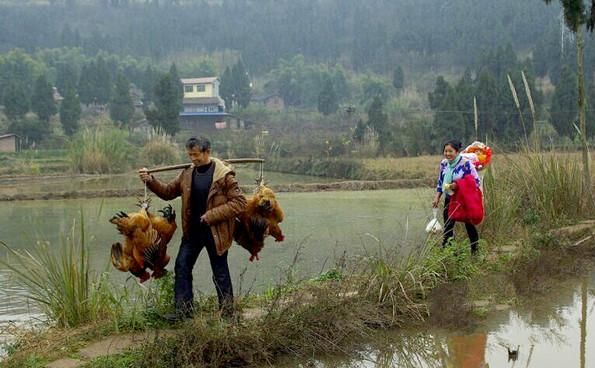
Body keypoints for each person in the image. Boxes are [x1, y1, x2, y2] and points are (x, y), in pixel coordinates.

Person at [139, 136, 247, 321]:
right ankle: (183, 312)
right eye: (190, 155)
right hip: (193, 232)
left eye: (196, 155)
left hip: (216, 233)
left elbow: (239, 203)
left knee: (220, 272)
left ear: (207, 152)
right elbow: (167, 192)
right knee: (182, 266)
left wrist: (210, 215)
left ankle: (227, 313)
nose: (193, 159)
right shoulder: (187, 174)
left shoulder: (224, 175)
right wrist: (150, 180)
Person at [431, 140, 481, 253]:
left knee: (469, 225)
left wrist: (458, 185)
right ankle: (448, 251)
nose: (447, 154)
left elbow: (476, 182)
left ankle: (475, 250)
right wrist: (437, 197)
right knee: (448, 224)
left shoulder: (466, 164)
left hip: (464, 199)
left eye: (450, 151)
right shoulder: (444, 163)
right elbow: (441, 182)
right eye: (445, 151)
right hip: (450, 198)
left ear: (457, 151)